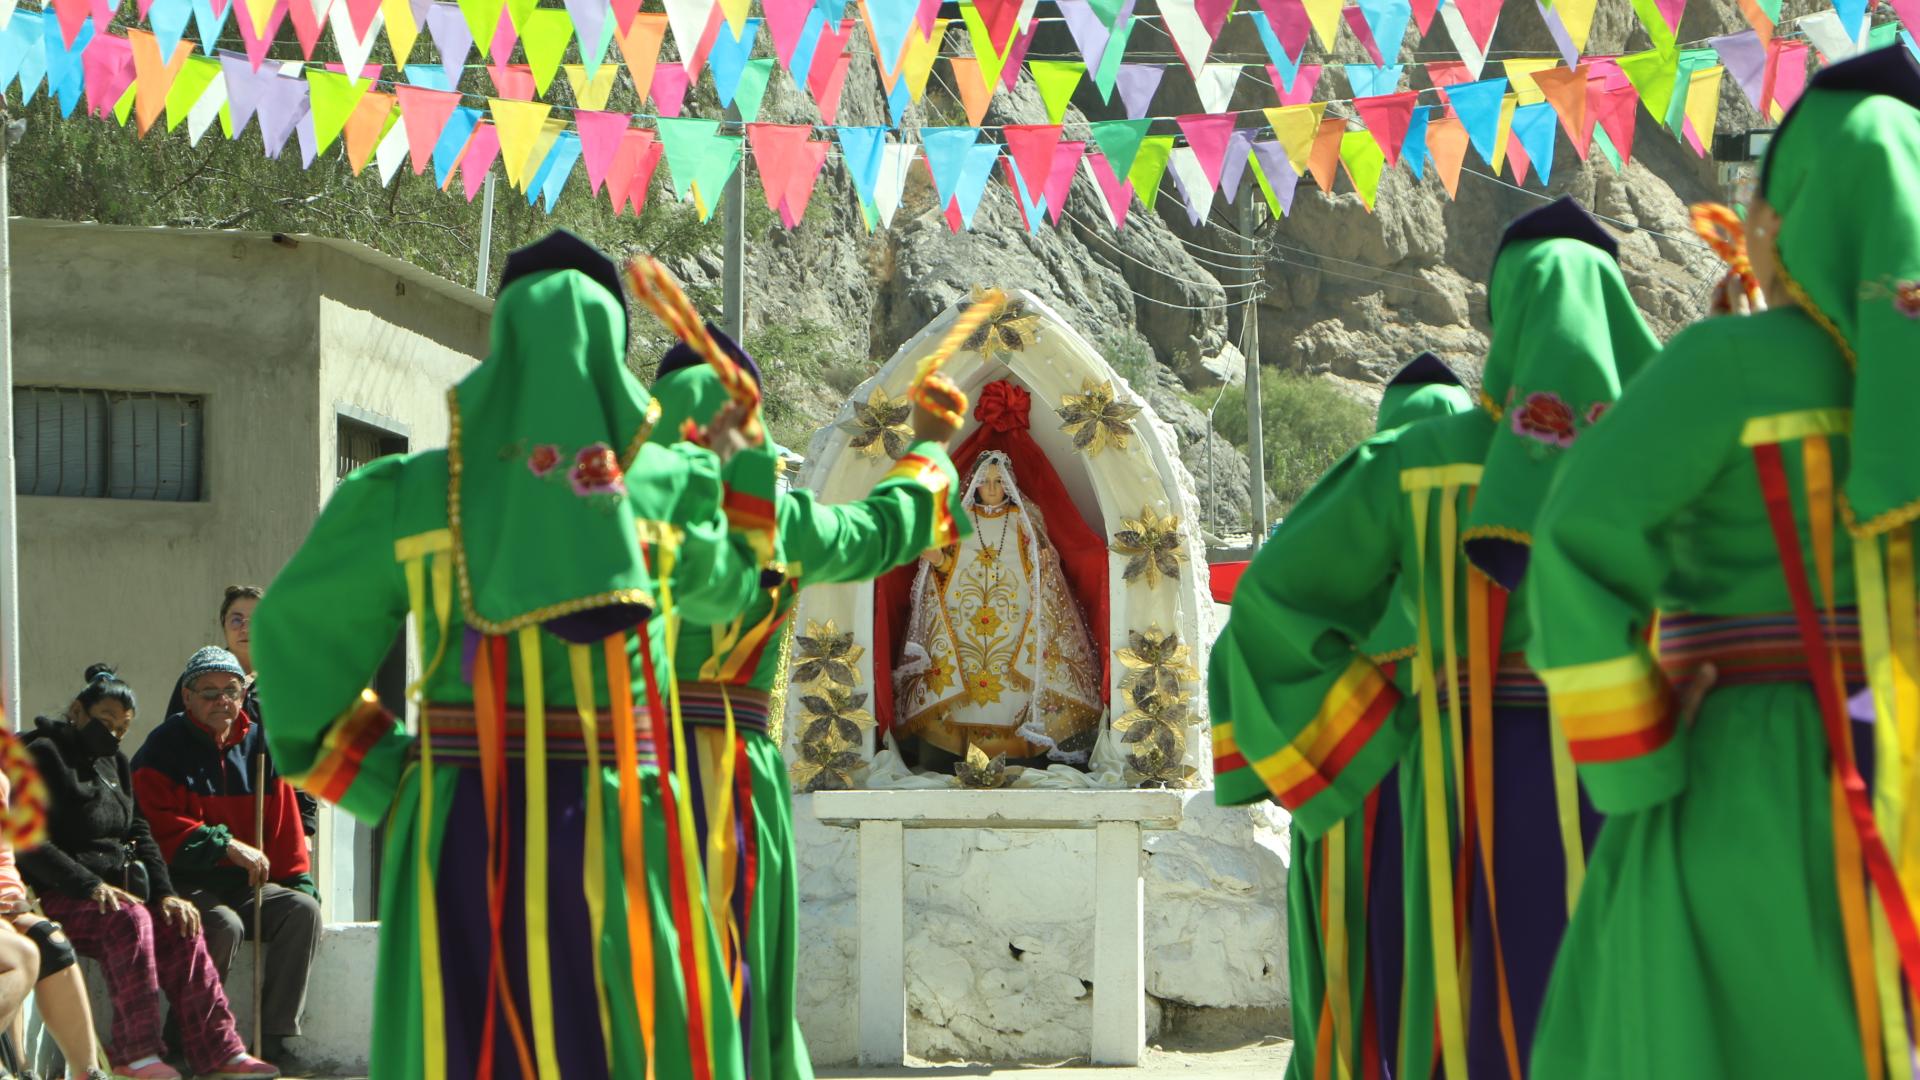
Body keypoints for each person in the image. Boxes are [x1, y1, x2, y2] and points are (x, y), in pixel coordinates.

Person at [249, 230, 782, 1079]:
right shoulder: (670, 493)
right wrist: (731, 456)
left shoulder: (409, 497)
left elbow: (290, 649)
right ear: (610, 350)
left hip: (461, 812)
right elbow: (730, 590)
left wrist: (402, 783)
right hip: (630, 815)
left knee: (461, 1041)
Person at [1523, 48, 1920, 1080]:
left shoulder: (1728, 364)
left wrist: (1639, 748)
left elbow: (1573, 548)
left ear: (1782, 216)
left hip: (1759, 771)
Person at [1210, 198, 1653, 1080]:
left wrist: (1370, 728)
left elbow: (1269, 606)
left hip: (1449, 789)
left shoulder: (1415, 463)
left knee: (1454, 1003)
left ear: (1508, 317)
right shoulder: (1661, 458)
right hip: (1626, 769)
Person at [643, 328, 968, 1079]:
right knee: (736, 965)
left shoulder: (612, 515)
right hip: (737, 781)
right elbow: (891, 524)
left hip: (625, 765)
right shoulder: (779, 528)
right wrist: (930, 442)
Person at [1229, 353, 1474, 1080]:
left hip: (1353, 776)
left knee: (1357, 963)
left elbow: (1258, 628)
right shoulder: (1499, 518)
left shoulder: (1344, 514)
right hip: (1477, 770)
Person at [21, 666, 274, 1080]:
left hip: (118, 891)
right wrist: (89, 885)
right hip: (60, 892)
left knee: (180, 923)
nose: (113, 734)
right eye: (104, 721)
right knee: (131, 921)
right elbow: (30, 842)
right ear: (77, 711)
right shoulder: (43, 755)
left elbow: (141, 832)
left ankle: (220, 1051)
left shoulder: (115, 764)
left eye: (121, 728)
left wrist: (165, 893)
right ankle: (135, 1054)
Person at [130, 648, 316, 1071]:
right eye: (209, 692)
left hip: (245, 882)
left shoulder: (260, 744)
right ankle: (186, 1039)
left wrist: (297, 881)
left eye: (230, 691)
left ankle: (272, 1038)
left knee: (302, 911)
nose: (222, 701)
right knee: (221, 925)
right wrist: (224, 845)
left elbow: (284, 826)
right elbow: (154, 826)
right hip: (181, 880)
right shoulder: (164, 746)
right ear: (187, 696)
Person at [896, 451, 1103, 768]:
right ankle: (960, 752)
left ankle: (1017, 752)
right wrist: (938, 559)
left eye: (997, 482)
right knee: (964, 676)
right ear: (974, 485)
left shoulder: (1024, 519)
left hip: (1013, 616)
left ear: (1009, 485)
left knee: (1012, 684)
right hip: (964, 617)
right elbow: (948, 566)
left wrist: (1046, 566)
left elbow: (1040, 560)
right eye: (985, 482)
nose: (991, 489)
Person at [214, 587, 317, 839]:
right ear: (224, 626)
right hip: (212, 815)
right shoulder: (201, 679)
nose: (245, 629)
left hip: (272, 818)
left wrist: (305, 826)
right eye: (236, 619)